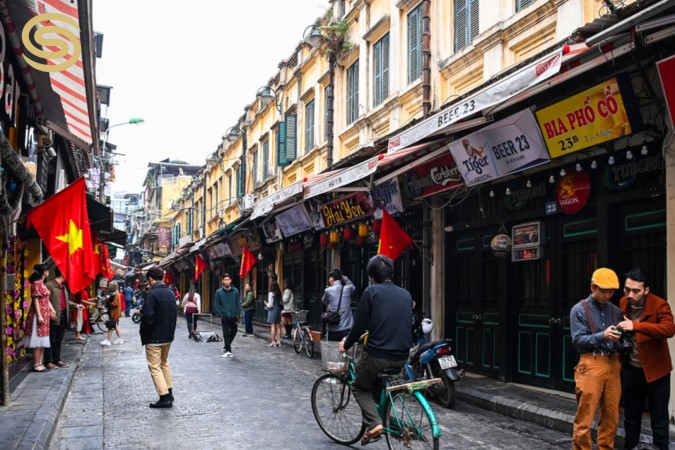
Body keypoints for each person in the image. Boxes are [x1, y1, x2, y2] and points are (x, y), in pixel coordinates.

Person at [339, 255, 413, 445]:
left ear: (372, 276)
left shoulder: (371, 292)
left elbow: (358, 326)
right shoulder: (405, 294)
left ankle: (374, 424)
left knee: (359, 386)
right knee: (376, 383)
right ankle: (383, 419)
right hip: (403, 356)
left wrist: (346, 344)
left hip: (378, 356)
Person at [616, 268, 675, 450]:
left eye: (636, 291)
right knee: (631, 417)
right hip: (632, 369)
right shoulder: (623, 302)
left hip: (657, 372)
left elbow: (669, 329)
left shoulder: (659, 305)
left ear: (646, 290)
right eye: (627, 290)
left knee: (659, 419)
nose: (630, 295)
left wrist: (636, 325)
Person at [569, 267, 622, 450]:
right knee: (585, 417)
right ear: (593, 287)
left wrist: (623, 340)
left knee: (611, 416)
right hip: (591, 362)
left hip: (613, 362)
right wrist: (602, 335)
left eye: (611, 291)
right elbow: (578, 341)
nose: (607, 295)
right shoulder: (579, 309)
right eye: (603, 291)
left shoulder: (615, 311)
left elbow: (620, 340)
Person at [140, 267, 178, 408]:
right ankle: (169, 391)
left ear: (151, 279)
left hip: (154, 337)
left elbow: (149, 316)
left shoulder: (152, 294)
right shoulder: (170, 293)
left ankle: (164, 397)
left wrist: (143, 319)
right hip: (168, 336)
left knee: (155, 366)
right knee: (164, 363)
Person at [44, 267, 81, 369]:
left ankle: (57, 359)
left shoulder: (63, 287)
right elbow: (44, 302)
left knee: (59, 339)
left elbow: (66, 302)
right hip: (54, 316)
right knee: (51, 339)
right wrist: (49, 312)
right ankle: (48, 361)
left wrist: (76, 305)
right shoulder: (49, 285)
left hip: (64, 315)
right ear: (62, 274)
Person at [22, 264, 56, 373]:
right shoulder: (36, 284)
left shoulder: (42, 284)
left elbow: (46, 299)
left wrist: (52, 309)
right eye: (47, 271)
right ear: (44, 272)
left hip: (45, 314)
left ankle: (40, 363)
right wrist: (40, 315)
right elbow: (36, 300)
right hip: (39, 315)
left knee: (43, 339)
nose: (48, 273)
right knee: (38, 339)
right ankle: (36, 364)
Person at [322, 269, 354, 342]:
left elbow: (324, 301)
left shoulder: (328, 290)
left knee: (333, 350)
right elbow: (352, 286)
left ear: (331, 279)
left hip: (333, 328)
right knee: (346, 350)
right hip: (347, 327)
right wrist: (343, 277)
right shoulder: (348, 288)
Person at [214, 273, 240, 358]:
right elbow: (217, 304)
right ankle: (229, 351)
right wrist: (220, 313)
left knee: (234, 331)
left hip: (233, 315)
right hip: (224, 316)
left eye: (228, 280)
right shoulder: (219, 292)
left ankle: (226, 346)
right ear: (223, 281)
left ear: (231, 281)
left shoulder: (235, 291)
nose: (227, 281)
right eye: (225, 280)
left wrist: (238, 313)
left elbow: (237, 303)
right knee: (226, 333)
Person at [101, 281, 124, 346]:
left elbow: (115, 303)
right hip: (114, 312)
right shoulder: (115, 293)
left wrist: (109, 301)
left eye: (110, 285)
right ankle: (119, 339)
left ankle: (108, 340)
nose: (108, 287)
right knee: (115, 325)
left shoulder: (116, 294)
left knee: (111, 326)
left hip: (114, 312)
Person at [266, 280, 282, 347]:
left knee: (273, 326)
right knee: (278, 326)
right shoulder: (279, 293)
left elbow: (270, 304)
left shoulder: (271, 293)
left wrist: (266, 304)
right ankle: (279, 341)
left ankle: (273, 341)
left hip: (273, 310)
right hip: (278, 309)